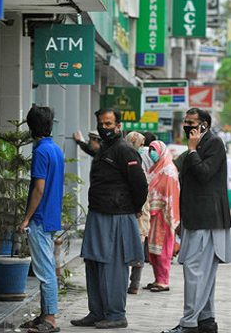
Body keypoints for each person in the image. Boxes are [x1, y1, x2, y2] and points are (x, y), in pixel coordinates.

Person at [71, 108, 148, 329]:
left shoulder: (125, 150)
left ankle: (115, 315)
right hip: (97, 213)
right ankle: (96, 312)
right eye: (101, 124)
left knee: (113, 267)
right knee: (93, 263)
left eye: (108, 124)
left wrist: (133, 208)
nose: (104, 128)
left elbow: (140, 185)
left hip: (117, 216)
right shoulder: (104, 147)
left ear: (118, 126)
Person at [162, 108, 231, 333]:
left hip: (207, 219)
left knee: (195, 272)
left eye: (192, 123)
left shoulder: (213, 144)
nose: (187, 127)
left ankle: (189, 323)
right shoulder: (202, 144)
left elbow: (204, 174)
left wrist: (192, 151)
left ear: (204, 125)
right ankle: (206, 320)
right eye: (185, 122)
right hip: (196, 219)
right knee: (203, 274)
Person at [17, 106, 64, 333]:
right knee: (47, 268)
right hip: (51, 216)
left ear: (31, 127)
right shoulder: (55, 149)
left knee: (45, 272)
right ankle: (45, 315)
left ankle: (51, 319)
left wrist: (26, 218)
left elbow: (38, 188)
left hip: (40, 218)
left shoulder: (40, 151)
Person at [145, 140, 180, 293]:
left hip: (164, 214)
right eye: (150, 149)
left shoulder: (168, 169)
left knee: (163, 249)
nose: (151, 152)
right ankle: (157, 279)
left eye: (154, 149)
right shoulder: (155, 168)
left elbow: (170, 193)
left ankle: (164, 281)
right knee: (153, 250)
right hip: (152, 214)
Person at [124, 131, 150, 296]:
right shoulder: (130, 160)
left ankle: (134, 284)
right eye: (140, 145)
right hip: (134, 210)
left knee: (137, 247)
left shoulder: (137, 160)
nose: (142, 148)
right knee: (131, 248)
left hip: (139, 211)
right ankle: (131, 283)